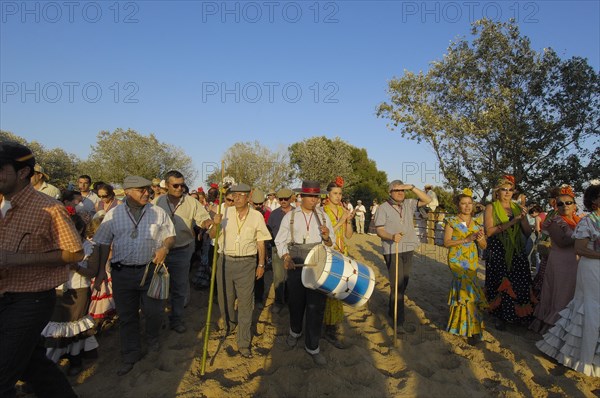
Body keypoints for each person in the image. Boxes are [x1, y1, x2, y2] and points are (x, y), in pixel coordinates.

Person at [0, 141, 83, 398]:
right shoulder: (2, 203)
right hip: (4, 297)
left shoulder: (49, 208)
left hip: (30, 300)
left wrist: (16, 259)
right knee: (32, 365)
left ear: (23, 172)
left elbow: (75, 252)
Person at [92, 176, 176, 376]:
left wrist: (165, 247)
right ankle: (131, 354)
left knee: (154, 311)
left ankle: (153, 340)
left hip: (150, 272)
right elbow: (102, 243)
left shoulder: (158, 212)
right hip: (122, 274)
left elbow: (170, 235)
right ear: (127, 192)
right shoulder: (112, 215)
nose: (147, 193)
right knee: (127, 316)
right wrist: (101, 271)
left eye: (147, 189)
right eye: (141, 190)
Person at [536, 182, 600, 377]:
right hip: (590, 268)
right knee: (589, 308)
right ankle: (581, 357)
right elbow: (580, 248)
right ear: (594, 201)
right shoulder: (588, 221)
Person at [275, 181, 334, 366]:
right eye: (310, 196)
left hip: (318, 260)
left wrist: (326, 237)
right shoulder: (290, 217)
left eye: (316, 196)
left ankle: (313, 346)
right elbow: (280, 240)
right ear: (301, 196)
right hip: (296, 259)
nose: (314, 200)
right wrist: (285, 257)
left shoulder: (324, 217)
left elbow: (330, 244)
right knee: (296, 301)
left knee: (316, 305)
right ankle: (295, 331)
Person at [209, 183, 271, 359]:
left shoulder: (257, 216)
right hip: (225, 261)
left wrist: (261, 264)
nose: (235, 198)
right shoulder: (224, 213)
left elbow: (261, 242)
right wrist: (215, 224)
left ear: (248, 196)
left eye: (240, 195)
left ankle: (243, 342)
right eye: (233, 195)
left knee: (245, 303)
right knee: (225, 300)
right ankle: (229, 325)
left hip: (247, 263)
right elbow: (212, 236)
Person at [42, 212, 100, 376]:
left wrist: (76, 267)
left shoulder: (90, 247)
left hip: (79, 291)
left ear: (80, 229)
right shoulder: (55, 246)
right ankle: (49, 364)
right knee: (54, 328)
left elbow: (92, 272)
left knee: (74, 327)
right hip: (58, 291)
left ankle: (74, 360)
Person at [153, 170, 211, 333]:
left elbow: (203, 219)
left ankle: (176, 320)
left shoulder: (191, 202)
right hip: (161, 251)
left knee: (179, 287)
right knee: (159, 288)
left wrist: (209, 223)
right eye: (175, 185)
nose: (179, 188)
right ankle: (159, 320)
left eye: (182, 185)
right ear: (167, 185)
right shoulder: (157, 202)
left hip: (183, 250)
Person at [374, 180, 431, 333]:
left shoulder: (409, 203)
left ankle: (392, 310)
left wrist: (411, 187)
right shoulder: (382, 208)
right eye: (397, 190)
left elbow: (428, 200)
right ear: (389, 192)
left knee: (404, 282)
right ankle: (398, 321)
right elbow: (379, 230)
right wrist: (391, 236)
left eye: (402, 190)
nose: (400, 193)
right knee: (397, 284)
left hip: (408, 247)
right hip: (393, 249)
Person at [484, 175, 534, 330]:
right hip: (498, 249)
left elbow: (527, 232)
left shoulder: (517, 208)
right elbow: (490, 231)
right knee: (500, 282)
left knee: (520, 282)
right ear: (497, 192)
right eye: (503, 190)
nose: (507, 193)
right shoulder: (491, 207)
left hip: (516, 250)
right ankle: (501, 316)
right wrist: (513, 221)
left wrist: (523, 219)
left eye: (510, 190)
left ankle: (519, 315)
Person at [530, 185, 580, 334]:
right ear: (555, 206)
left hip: (576, 262)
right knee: (560, 294)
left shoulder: (579, 221)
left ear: (574, 205)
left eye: (568, 203)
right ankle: (552, 327)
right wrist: (585, 237)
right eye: (560, 203)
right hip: (560, 262)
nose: (564, 206)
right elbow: (562, 241)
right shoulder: (555, 221)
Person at [443, 191, 488, 343]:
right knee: (464, 292)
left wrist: (480, 239)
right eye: (464, 203)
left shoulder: (477, 224)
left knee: (470, 292)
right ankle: (470, 329)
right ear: (458, 205)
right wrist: (466, 239)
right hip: (456, 259)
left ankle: (465, 326)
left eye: (470, 203)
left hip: (472, 260)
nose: (467, 206)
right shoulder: (451, 221)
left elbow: (484, 245)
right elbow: (447, 242)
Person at [322, 177, 354, 349]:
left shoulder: (343, 211)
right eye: (335, 193)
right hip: (329, 252)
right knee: (329, 290)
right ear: (328, 194)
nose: (338, 196)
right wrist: (341, 221)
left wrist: (348, 221)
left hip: (343, 253)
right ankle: (327, 327)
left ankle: (332, 326)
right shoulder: (323, 211)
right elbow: (325, 235)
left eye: (340, 193)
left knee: (339, 290)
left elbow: (349, 235)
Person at [267, 188, 294, 314]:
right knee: (278, 277)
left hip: (294, 250)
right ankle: (278, 302)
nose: (283, 201)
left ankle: (290, 301)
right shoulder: (274, 214)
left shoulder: (297, 213)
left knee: (291, 277)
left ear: (291, 198)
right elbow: (268, 231)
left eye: (286, 199)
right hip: (277, 249)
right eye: (280, 199)